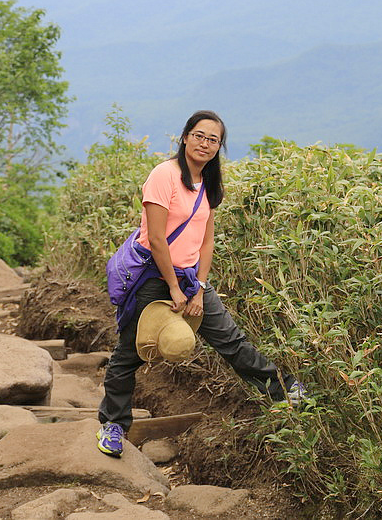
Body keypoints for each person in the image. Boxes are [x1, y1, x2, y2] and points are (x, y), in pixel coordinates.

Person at [97, 110, 307, 457]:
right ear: (184, 137)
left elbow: (206, 241)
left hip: (191, 279)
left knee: (231, 340)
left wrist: (198, 287)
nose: (204, 143)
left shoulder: (208, 183)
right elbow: (159, 240)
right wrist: (176, 289)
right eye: (199, 135)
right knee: (130, 353)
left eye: (213, 139)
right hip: (154, 277)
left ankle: (285, 392)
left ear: (219, 146)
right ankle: (114, 425)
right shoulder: (164, 176)